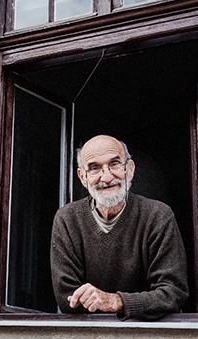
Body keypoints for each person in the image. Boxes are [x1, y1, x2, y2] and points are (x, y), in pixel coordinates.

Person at [50, 135, 188, 320]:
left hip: (150, 334)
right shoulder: (67, 220)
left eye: (114, 164)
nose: (106, 177)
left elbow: (173, 293)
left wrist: (115, 301)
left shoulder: (158, 216)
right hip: (89, 337)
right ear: (83, 177)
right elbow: (68, 299)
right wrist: (143, 304)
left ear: (129, 170)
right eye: (94, 168)